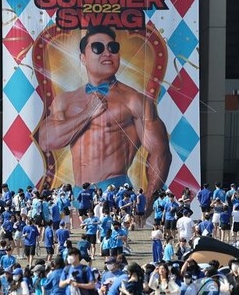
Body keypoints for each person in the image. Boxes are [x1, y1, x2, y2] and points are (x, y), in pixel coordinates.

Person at [36, 25, 172, 203]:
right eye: (98, 48)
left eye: (113, 47)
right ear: (83, 58)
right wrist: (87, 114)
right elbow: (47, 141)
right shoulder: (65, 100)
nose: (107, 53)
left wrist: (149, 197)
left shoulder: (134, 100)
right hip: (78, 192)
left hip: (116, 192)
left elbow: (161, 151)